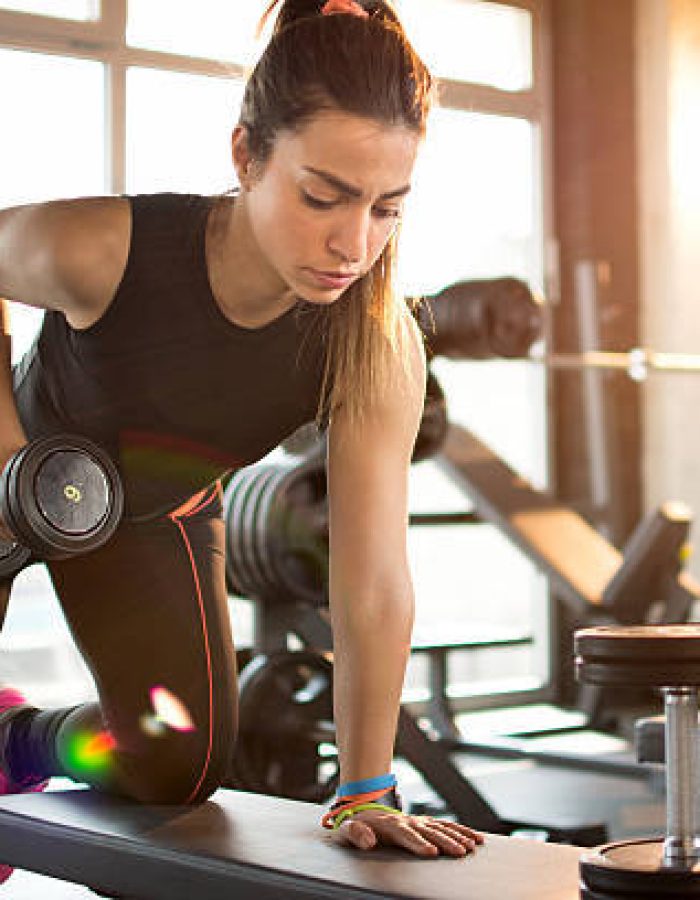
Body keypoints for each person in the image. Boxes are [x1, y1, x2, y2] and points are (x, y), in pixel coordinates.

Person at [0, 0, 483, 870]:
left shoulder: (374, 341)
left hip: (150, 514)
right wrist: (6, 457)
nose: (353, 244)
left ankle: (19, 739)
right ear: (246, 156)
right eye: (323, 196)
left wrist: (365, 787)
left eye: (386, 209)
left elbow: (372, 578)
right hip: (17, 473)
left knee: (176, 764)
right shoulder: (107, 246)